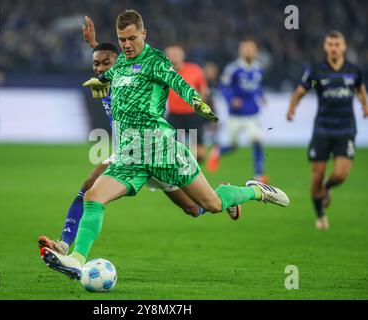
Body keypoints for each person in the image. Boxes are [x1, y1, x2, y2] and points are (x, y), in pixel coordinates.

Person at [41, 10, 290, 280]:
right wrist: (94, 46)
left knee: (211, 205)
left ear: (144, 34)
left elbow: (179, 83)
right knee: (93, 195)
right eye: (121, 39)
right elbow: (105, 64)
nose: (126, 44)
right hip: (130, 155)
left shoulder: (156, 61)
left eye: (131, 38)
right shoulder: (120, 65)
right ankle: (76, 259)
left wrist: (197, 102)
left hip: (162, 151)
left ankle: (255, 191)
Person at [287, 30, 368, 230]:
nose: (333, 48)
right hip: (322, 130)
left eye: (337, 44)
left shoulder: (353, 71)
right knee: (317, 174)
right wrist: (292, 108)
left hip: (346, 129)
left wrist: (365, 104)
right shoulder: (317, 72)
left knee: (340, 174)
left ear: (344, 47)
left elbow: (360, 89)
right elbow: (300, 90)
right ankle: (320, 215)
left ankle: (328, 186)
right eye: (330, 44)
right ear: (325, 47)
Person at [206, 38, 268, 184]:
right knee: (233, 146)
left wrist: (261, 96)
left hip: (252, 114)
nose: (248, 51)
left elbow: (257, 86)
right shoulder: (233, 68)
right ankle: (218, 151)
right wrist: (231, 99)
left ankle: (259, 175)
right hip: (236, 115)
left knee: (257, 140)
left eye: (250, 48)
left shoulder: (258, 68)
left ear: (255, 51)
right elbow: (223, 87)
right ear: (240, 51)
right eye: (245, 48)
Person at [165, 44, 209, 163]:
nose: (174, 56)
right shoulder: (164, 72)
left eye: (176, 53)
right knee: (174, 151)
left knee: (200, 154)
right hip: (174, 116)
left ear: (183, 55)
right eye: (171, 54)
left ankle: (194, 171)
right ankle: (180, 172)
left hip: (192, 115)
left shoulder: (194, 69)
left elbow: (204, 90)